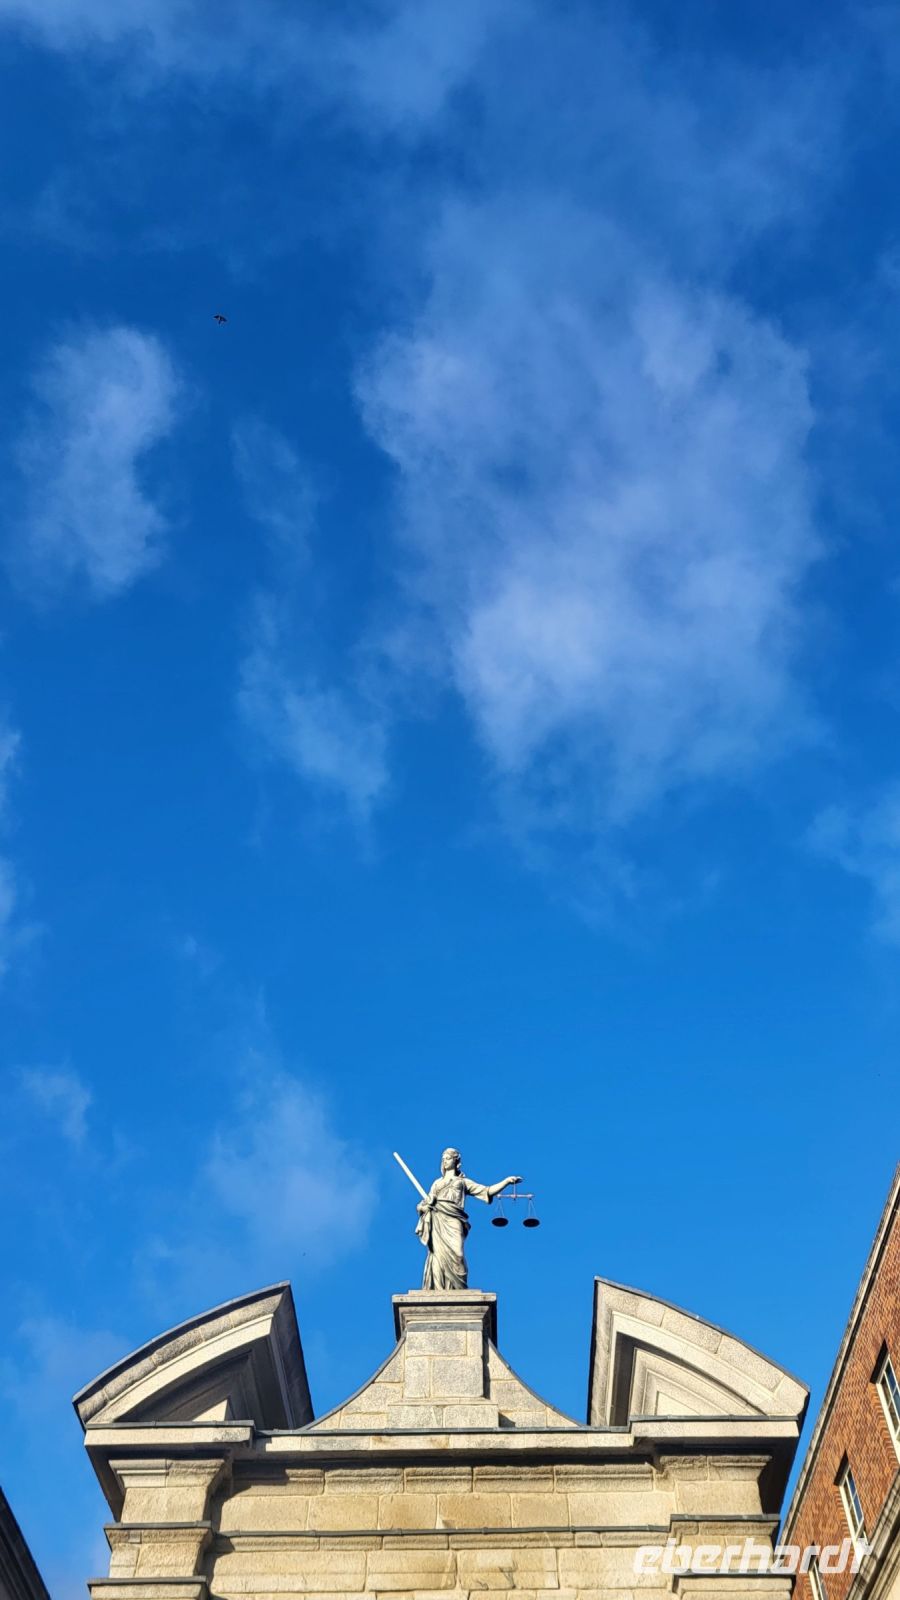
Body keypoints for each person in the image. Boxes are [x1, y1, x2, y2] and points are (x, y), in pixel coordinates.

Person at [416, 1148, 521, 1289]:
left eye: (448, 1158)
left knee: (458, 1254)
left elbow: (487, 1191)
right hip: (438, 1219)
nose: (445, 1161)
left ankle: (459, 1289)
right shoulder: (436, 1184)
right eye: (443, 1158)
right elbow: (423, 1204)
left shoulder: (463, 1182)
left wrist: (506, 1181)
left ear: (456, 1161)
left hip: (454, 1219)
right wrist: (424, 1208)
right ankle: (439, 1289)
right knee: (437, 1257)